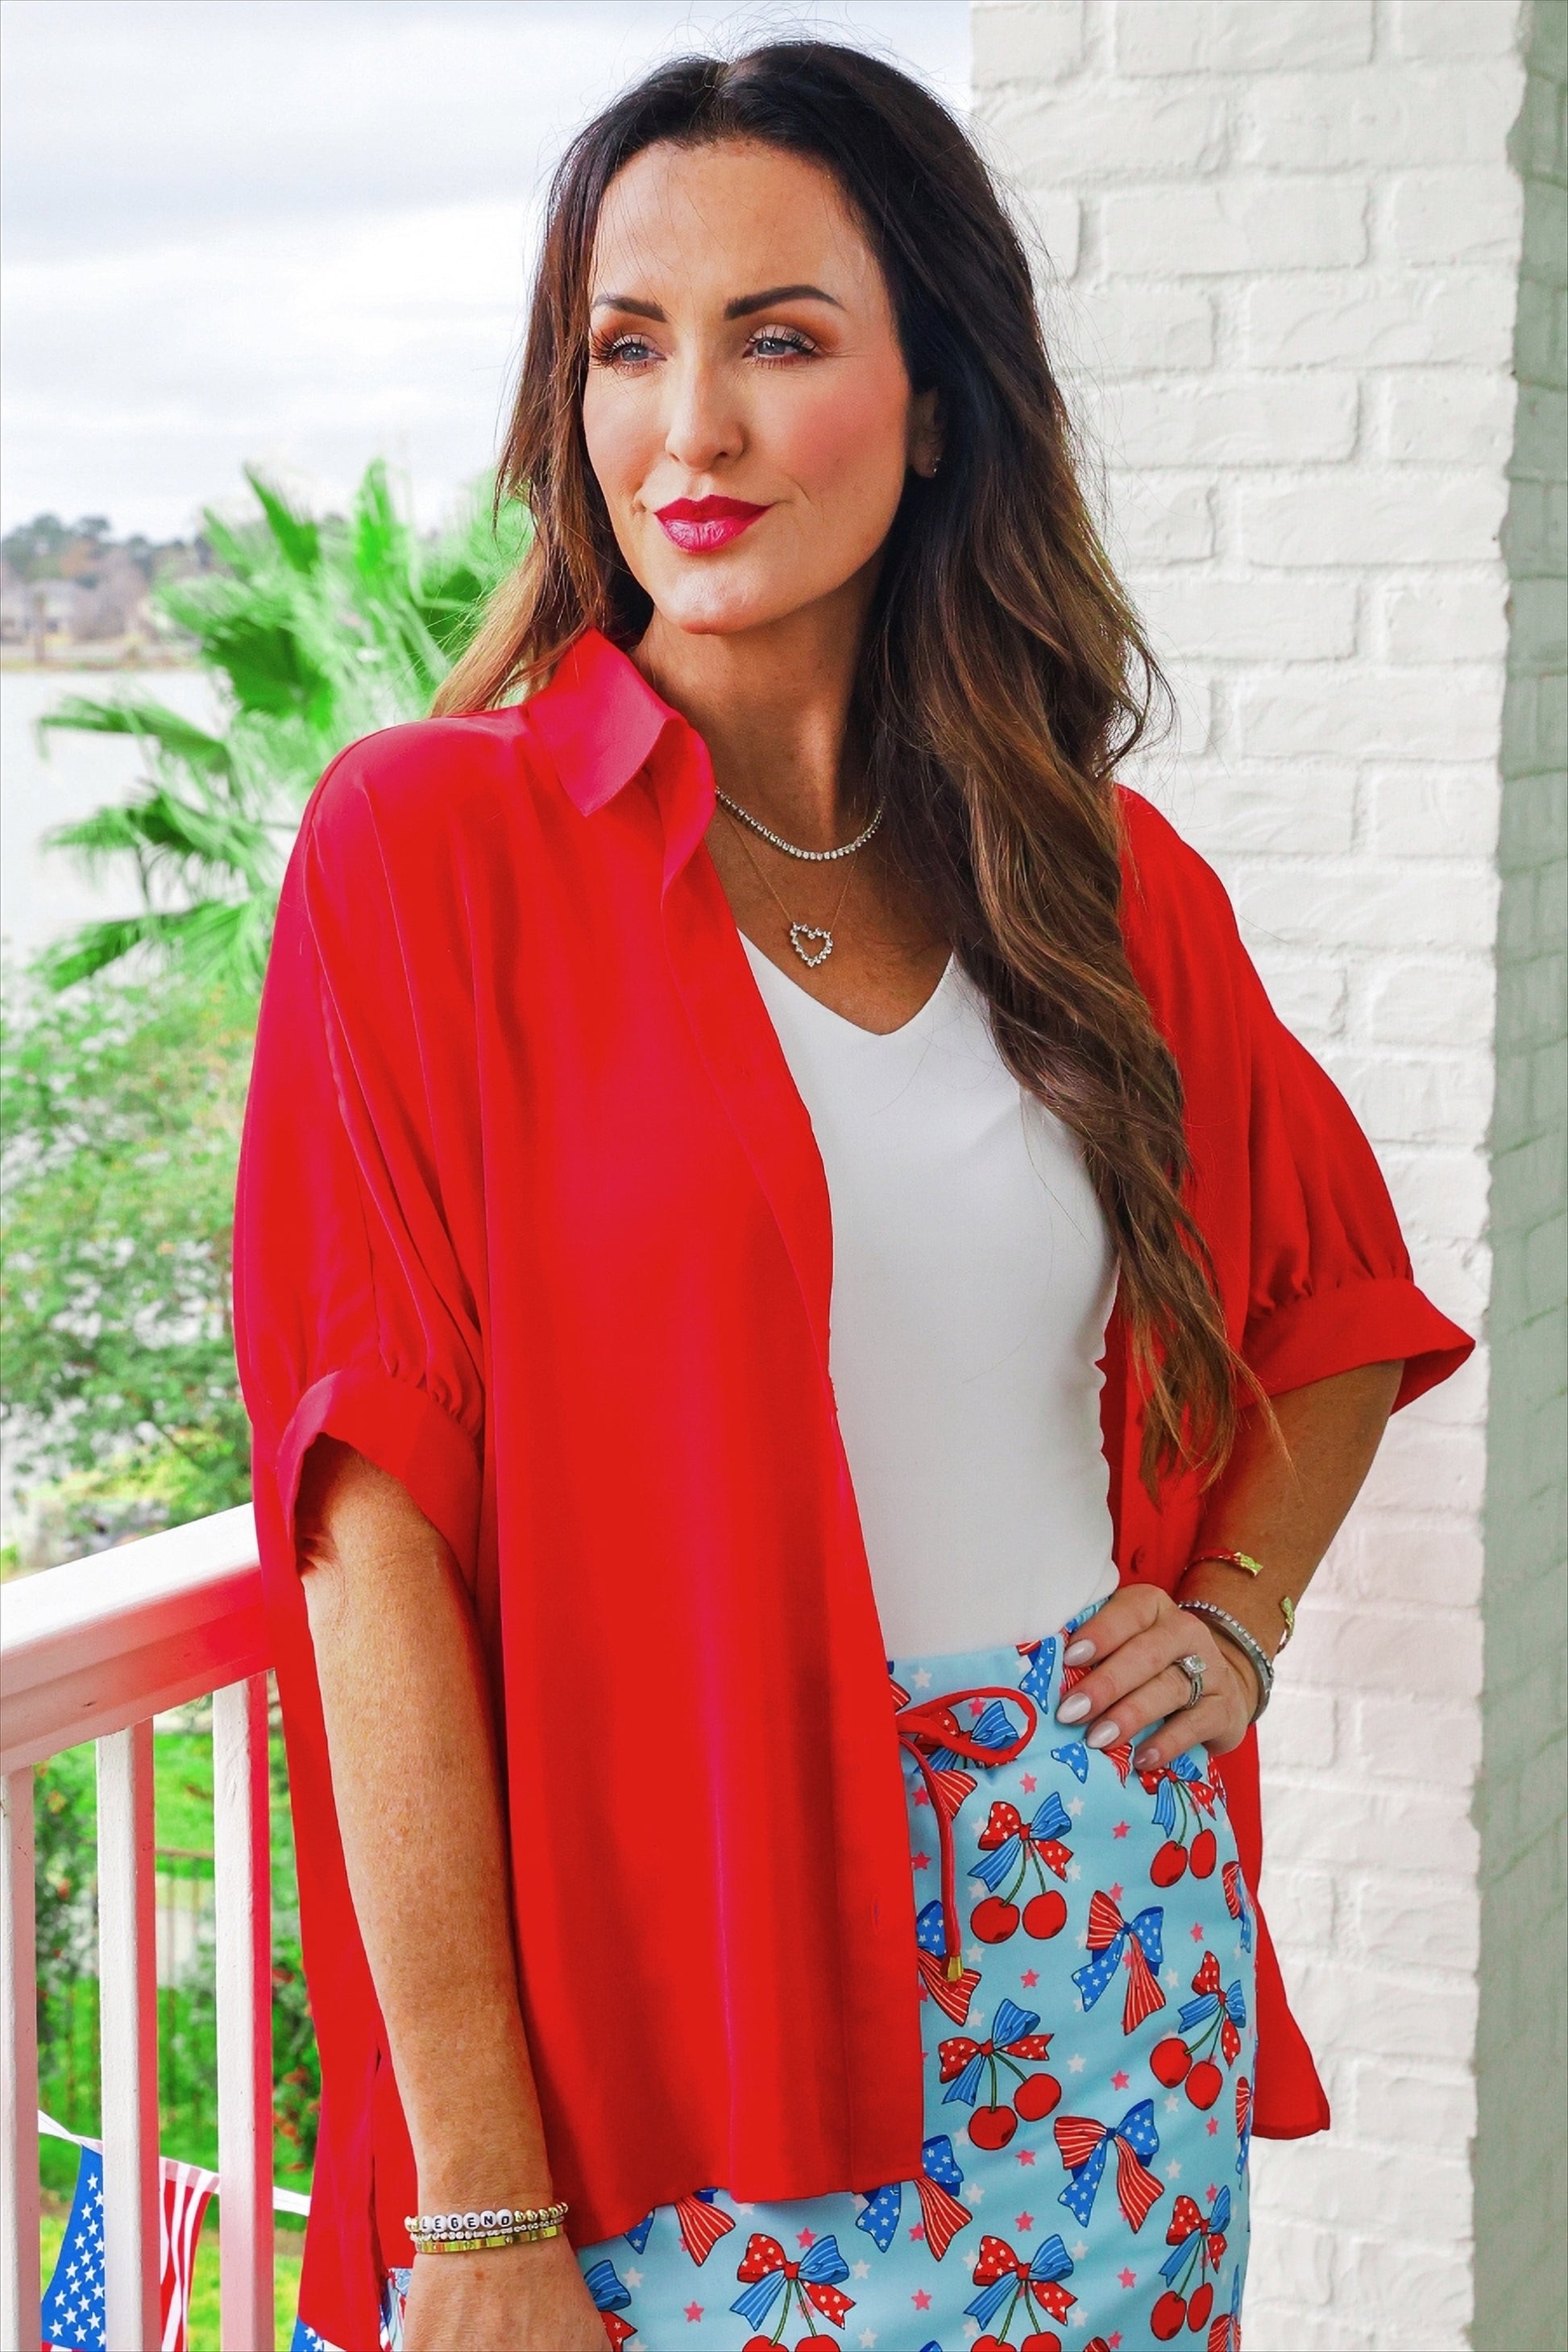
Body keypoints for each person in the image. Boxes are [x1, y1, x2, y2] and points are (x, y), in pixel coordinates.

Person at [235, 44, 1471, 2352]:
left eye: (778, 338)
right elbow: (365, 1529)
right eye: (627, 346)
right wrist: (481, 2211)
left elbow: (1330, 1301)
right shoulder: (429, 853)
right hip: (661, 2035)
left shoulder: (1094, 882)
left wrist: (1236, 1615)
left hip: (1099, 1952)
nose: (687, 429)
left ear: (937, 407)